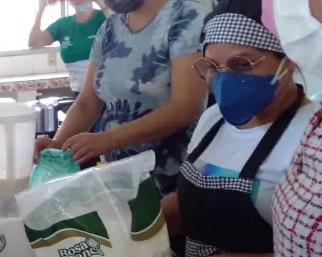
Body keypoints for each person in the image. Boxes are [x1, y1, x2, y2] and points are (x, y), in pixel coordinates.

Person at [163, 0, 319, 257]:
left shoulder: (309, 137)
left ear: (289, 60)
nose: (225, 79)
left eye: (242, 64)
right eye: (213, 67)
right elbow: (197, 204)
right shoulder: (213, 120)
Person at [34, 0, 213, 196]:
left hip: (170, 180)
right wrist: (58, 143)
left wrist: (108, 139)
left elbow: (186, 107)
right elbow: (87, 103)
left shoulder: (188, 15)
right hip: (120, 179)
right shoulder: (111, 28)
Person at [28, 0, 107, 97]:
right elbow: (33, 42)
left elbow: (121, 26)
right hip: (79, 94)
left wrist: (101, 3)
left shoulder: (104, 17)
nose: (78, 2)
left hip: (106, 94)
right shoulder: (62, 24)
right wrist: (41, 9)